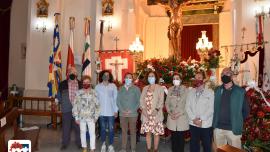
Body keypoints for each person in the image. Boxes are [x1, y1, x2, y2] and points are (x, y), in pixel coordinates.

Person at [212, 67, 249, 149]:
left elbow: (246, 111)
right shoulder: (217, 90)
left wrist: (237, 119)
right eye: (222, 74)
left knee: (234, 150)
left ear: (232, 76)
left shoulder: (240, 91)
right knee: (219, 150)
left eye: (227, 73)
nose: (224, 75)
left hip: (233, 129)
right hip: (218, 128)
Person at [185, 71, 214, 152]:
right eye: (195, 78)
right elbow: (187, 107)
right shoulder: (190, 92)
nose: (197, 80)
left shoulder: (210, 93)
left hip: (205, 124)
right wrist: (194, 119)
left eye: (199, 78)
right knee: (194, 145)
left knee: (207, 146)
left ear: (204, 80)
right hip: (193, 123)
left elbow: (211, 109)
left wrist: (201, 119)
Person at [72, 75, 100, 152]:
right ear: (82, 83)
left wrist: (96, 117)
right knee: (82, 132)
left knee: (92, 133)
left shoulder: (94, 93)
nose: (86, 83)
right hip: (81, 117)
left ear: (90, 83)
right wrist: (76, 117)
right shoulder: (78, 93)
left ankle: (92, 148)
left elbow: (97, 106)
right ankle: (84, 147)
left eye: (87, 82)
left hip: (91, 117)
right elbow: (75, 105)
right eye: (84, 82)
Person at [140, 71, 164, 152]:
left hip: (156, 114)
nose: (151, 77)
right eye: (149, 76)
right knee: (148, 133)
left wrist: (156, 109)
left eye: (152, 76)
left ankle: (155, 150)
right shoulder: (145, 88)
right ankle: (149, 149)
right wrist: (143, 109)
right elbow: (141, 100)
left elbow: (161, 101)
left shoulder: (160, 88)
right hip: (146, 114)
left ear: (155, 77)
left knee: (156, 133)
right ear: (147, 78)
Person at [58, 67, 81, 150]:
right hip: (66, 109)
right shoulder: (62, 84)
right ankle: (65, 143)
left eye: (74, 72)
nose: (73, 73)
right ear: (68, 74)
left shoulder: (80, 84)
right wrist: (64, 103)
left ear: (77, 74)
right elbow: (59, 96)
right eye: (71, 72)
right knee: (66, 127)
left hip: (77, 110)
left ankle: (79, 143)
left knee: (78, 128)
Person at [117, 73, 141, 152]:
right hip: (122, 114)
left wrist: (132, 110)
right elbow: (118, 101)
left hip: (133, 114)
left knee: (133, 131)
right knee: (124, 131)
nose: (128, 79)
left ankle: (133, 148)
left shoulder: (136, 89)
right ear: (124, 79)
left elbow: (139, 102)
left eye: (130, 78)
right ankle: (123, 148)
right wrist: (122, 110)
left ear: (132, 79)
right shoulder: (120, 88)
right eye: (126, 77)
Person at [95, 70, 118, 152]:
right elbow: (96, 100)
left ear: (109, 77)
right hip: (101, 113)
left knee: (111, 129)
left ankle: (111, 145)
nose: (106, 76)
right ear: (101, 76)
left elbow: (116, 99)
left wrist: (116, 110)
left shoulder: (113, 86)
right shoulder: (97, 87)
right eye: (104, 75)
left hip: (111, 112)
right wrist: (96, 111)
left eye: (107, 75)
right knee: (103, 129)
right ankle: (103, 144)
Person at [165, 73, 189, 152]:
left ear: (181, 80)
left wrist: (179, 113)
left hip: (181, 117)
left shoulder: (185, 89)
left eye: (177, 78)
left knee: (180, 139)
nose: (175, 80)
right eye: (174, 79)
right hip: (172, 117)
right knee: (174, 139)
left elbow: (187, 104)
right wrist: (170, 112)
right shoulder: (170, 89)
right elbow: (167, 103)